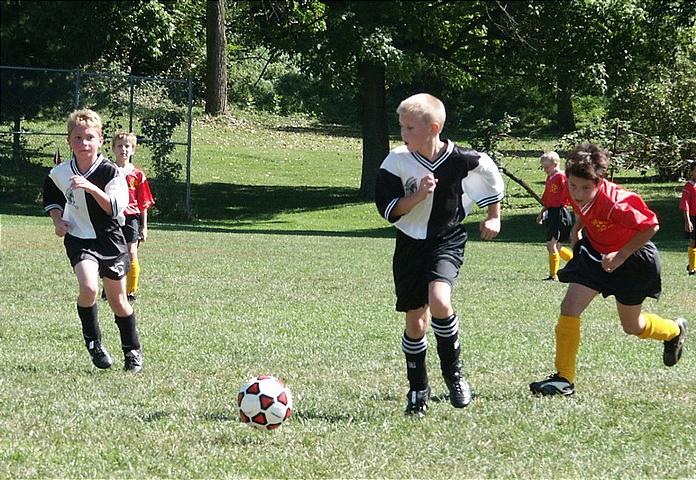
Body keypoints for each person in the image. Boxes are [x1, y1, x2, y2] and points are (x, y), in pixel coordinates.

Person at [375, 93, 504, 416]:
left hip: (446, 239)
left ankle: (454, 375)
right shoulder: (396, 161)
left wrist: (493, 215)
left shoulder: (462, 159)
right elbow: (390, 210)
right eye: (401, 127)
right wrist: (417, 196)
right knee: (416, 321)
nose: (403, 134)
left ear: (433, 128)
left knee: (440, 302)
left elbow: (489, 176)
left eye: (409, 128)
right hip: (409, 245)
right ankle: (418, 388)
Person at [530, 143, 687, 396]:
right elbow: (583, 208)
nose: (578, 193)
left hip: (633, 260)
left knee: (632, 326)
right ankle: (564, 379)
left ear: (599, 182)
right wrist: (576, 228)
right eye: (573, 186)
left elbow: (651, 225)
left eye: (585, 188)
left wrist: (622, 254)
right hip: (595, 256)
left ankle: (674, 331)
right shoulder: (573, 187)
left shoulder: (617, 203)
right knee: (569, 308)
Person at [43, 109, 144, 373]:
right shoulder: (61, 172)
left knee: (117, 301)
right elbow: (52, 195)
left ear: (100, 140)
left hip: (110, 241)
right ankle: (94, 344)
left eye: (89, 137)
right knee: (88, 289)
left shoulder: (111, 173)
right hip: (79, 239)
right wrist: (57, 220)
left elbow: (113, 208)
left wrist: (90, 187)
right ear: (69, 141)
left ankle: (132, 351)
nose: (83, 143)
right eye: (77, 138)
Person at [111, 131, 155, 301]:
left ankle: (130, 291)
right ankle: (110, 288)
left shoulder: (137, 175)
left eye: (127, 146)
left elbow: (143, 203)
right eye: (120, 146)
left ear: (133, 150)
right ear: (113, 149)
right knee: (113, 253)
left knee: (131, 252)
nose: (124, 149)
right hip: (113, 216)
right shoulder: (109, 170)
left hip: (131, 218)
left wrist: (144, 226)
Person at [535, 151, 574, 280]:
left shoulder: (560, 177)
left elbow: (567, 192)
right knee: (556, 246)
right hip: (551, 211)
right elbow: (548, 197)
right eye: (543, 167)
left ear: (555, 164)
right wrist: (542, 212)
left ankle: (553, 275)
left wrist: (563, 204)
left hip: (559, 212)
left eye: (546, 167)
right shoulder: (550, 177)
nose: (545, 170)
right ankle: (576, 262)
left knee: (551, 244)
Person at [679, 160, 696, 276]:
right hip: (694, 217)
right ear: (692, 171)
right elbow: (685, 204)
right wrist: (688, 221)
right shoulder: (689, 186)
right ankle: (692, 268)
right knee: (693, 242)